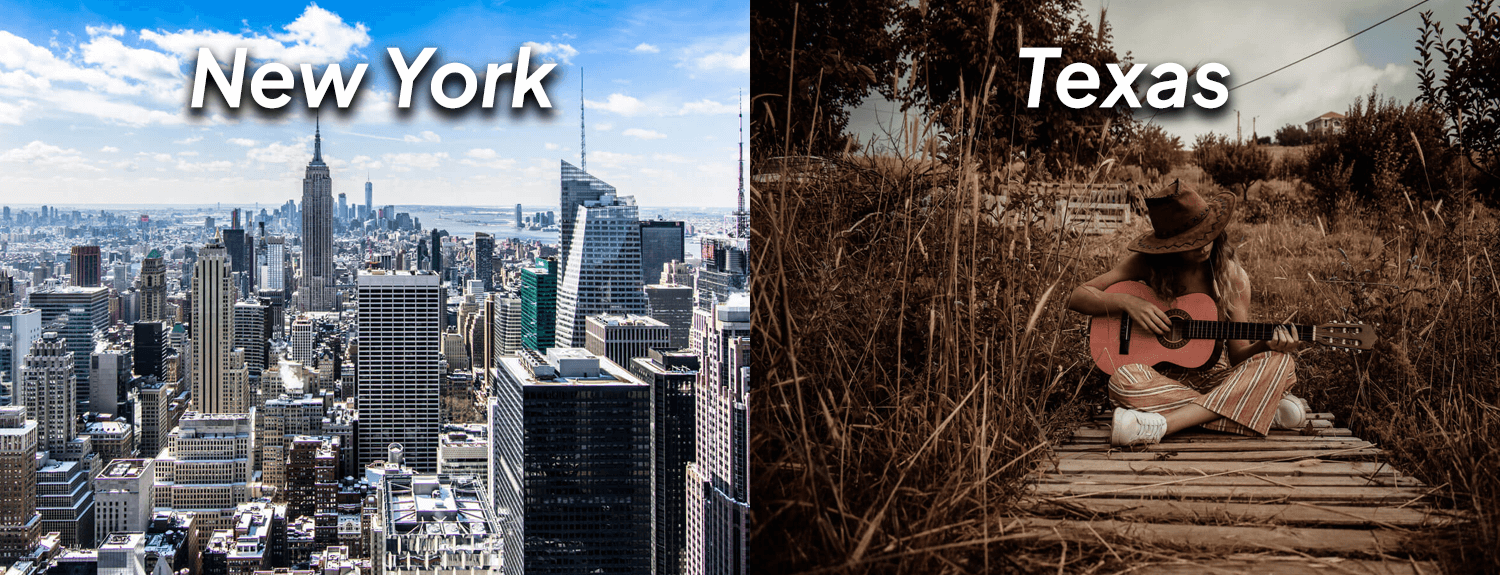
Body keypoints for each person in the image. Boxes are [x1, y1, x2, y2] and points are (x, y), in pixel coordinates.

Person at [1065, 180, 1309, 446]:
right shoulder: (1146, 264)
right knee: (1123, 381)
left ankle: (1163, 425)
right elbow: (1076, 296)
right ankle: (1254, 409)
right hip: (1160, 380)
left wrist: (1265, 344)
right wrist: (1126, 302)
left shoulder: (1232, 277)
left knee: (1282, 364)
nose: (1203, 246)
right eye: (1190, 242)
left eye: (1206, 235)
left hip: (1215, 379)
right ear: (1169, 244)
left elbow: (1238, 356)